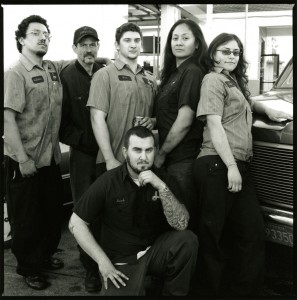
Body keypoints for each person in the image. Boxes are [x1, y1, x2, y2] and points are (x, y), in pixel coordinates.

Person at [193, 33, 293, 297]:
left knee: (251, 233)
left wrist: (268, 111)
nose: (231, 56)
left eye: (236, 52)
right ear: (213, 53)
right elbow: (214, 124)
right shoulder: (212, 79)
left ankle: (244, 292)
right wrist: (230, 166)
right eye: (225, 51)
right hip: (218, 164)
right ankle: (209, 292)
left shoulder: (232, 81)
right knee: (213, 236)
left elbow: (247, 103)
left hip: (239, 166)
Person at [68, 126, 198, 296]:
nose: (143, 157)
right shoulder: (109, 181)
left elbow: (181, 225)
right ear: (125, 152)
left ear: (155, 151)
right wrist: (102, 262)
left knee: (187, 240)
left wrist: (161, 186)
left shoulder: (164, 178)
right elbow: (75, 223)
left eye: (149, 150)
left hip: (154, 252)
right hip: (121, 261)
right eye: (137, 150)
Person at [3, 15, 68, 290]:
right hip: (25, 161)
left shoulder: (52, 68)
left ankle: (43, 256)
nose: (43, 37)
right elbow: (8, 120)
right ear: (21, 39)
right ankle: (30, 267)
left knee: (51, 215)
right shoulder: (15, 73)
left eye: (47, 34)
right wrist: (22, 158)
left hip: (49, 159)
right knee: (27, 220)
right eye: (36, 33)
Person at [58, 26, 110, 293]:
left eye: (93, 44)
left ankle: (110, 262)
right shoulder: (67, 76)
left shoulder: (105, 71)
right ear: (74, 48)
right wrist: (83, 140)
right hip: (83, 156)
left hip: (108, 155)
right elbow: (61, 122)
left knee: (109, 208)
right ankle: (90, 269)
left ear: (98, 47)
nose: (89, 49)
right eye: (83, 44)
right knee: (84, 210)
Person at [154, 19, 208, 229]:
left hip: (183, 159)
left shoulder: (192, 71)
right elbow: (171, 113)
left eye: (185, 38)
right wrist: (152, 121)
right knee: (173, 218)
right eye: (175, 38)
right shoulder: (173, 74)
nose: (178, 42)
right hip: (173, 160)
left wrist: (162, 153)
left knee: (185, 221)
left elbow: (185, 120)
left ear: (196, 44)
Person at [87, 22, 157, 177]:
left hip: (143, 162)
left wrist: (152, 121)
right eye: (127, 40)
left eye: (137, 40)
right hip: (115, 162)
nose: (133, 45)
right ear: (117, 45)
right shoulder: (104, 75)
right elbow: (96, 118)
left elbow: (158, 116)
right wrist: (109, 159)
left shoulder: (150, 79)